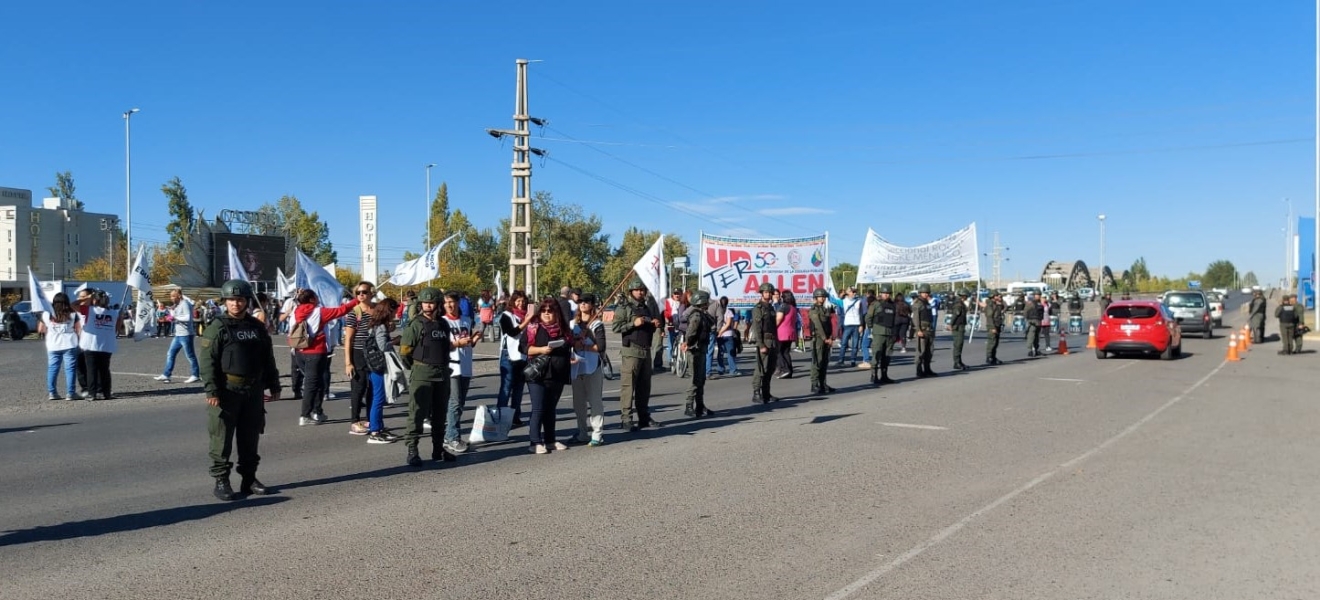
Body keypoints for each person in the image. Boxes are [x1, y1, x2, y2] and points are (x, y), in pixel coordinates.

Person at [200, 280, 281, 501]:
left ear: (247, 301)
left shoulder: (256, 327)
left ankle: (249, 478)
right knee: (221, 438)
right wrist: (212, 391)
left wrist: (274, 384)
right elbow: (207, 363)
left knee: (250, 437)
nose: (236, 303)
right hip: (227, 390)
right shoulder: (217, 327)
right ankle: (221, 480)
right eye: (232, 299)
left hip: (253, 390)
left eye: (240, 299)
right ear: (225, 301)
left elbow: (268, 358)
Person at [397, 287, 457, 467]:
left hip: (442, 374)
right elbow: (405, 352)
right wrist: (417, 369)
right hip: (422, 374)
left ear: (438, 304)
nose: (428, 306)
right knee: (417, 414)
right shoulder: (416, 324)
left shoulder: (443, 324)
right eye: (425, 302)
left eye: (431, 303)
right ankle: (412, 450)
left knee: (440, 415)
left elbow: (446, 346)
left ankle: (438, 449)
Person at [291, 289, 360, 425]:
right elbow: (342, 310)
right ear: (311, 299)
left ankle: (318, 411)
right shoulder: (319, 311)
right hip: (316, 351)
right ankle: (305, 415)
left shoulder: (295, 311)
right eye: (316, 296)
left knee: (317, 382)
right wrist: (357, 300)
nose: (318, 298)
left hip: (298, 351)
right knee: (312, 384)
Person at [521, 297, 574, 454]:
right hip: (538, 373)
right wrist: (541, 350)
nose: (546, 314)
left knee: (551, 408)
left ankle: (550, 440)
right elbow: (524, 348)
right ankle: (535, 441)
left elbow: (569, 345)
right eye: (543, 310)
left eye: (550, 311)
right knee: (538, 408)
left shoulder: (563, 328)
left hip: (557, 373)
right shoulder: (533, 327)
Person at [613, 278, 660, 430]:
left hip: (646, 350)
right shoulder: (624, 308)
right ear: (631, 291)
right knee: (628, 387)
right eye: (638, 290)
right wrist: (633, 323)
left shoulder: (646, 307)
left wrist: (654, 325)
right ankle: (626, 419)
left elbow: (646, 328)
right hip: (631, 351)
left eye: (643, 290)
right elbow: (616, 327)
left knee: (644, 387)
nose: (641, 292)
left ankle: (644, 416)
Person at [363, 299, 402, 444]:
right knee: (378, 398)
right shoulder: (381, 326)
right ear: (388, 311)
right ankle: (375, 431)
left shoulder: (376, 324)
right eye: (394, 311)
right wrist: (395, 341)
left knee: (377, 397)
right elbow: (382, 346)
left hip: (373, 365)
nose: (395, 314)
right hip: (379, 365)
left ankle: (379, 427)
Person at [441, 291, 475, 454]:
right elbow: (441, 346)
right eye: (446, 302)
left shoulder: (466, 320)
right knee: (454, 403)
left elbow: (466, 341)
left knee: (460, 403)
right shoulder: (442, 322)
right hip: (452, 366)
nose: (449, 305)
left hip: (466, 365)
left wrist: (472, 340)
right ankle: (451, 437)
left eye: (451, 302)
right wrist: (456, 343)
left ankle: (453, 435)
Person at [570, 293, 607, 445]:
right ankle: (582, 432)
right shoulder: (573, 324)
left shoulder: (596, 324)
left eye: (586, 301)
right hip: (577, 366)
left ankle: (597, 433)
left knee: (594, 400)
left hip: (592, 366)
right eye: (580, 302)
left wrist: (584, 345)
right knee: (578, 402)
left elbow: (601, 347)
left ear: (592, 304)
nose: (583, 304)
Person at [343, 281, 377, 435]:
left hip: (375, 354)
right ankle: (355, 421)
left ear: (371, 293)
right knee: (358, 388)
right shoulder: (354, 312)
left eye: (364, 292)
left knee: (373, 388)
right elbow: (348, 339)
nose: (361, 295)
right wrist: (348, 362)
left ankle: (371, 419)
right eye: (358, 292)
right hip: (358, 354)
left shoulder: (377, 310)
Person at [497, 291, 533, 427]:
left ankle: (515, 415)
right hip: (509, 355)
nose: (521, 303)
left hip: (523, 355)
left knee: (519, 388)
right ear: (512, 301)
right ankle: (500, 416)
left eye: (523, 301)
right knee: (506, 388)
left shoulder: (528, 316)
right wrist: (526, 321)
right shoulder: (506, 316)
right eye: (518, 301)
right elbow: (512, 332)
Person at [40, 292, 83, 400]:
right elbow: (79, 329)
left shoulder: (46, 314)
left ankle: (52, 393)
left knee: (53, 368)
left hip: (53, 344)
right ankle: (70, 393)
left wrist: (51, 329)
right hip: (69, 344)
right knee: (70, 369)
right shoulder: (72, 314)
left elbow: (40, 329)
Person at [154, 289, 202, 384]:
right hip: (178, 334)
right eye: (171, 296)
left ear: (179, 296)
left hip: (186, 334)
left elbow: (188, 317)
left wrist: (174, 318)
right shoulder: (177, 305)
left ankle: (196, 375)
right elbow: (175, 317)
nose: (171, 298)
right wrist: (171, 314)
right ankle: (166, 374)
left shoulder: (185, 304)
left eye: (173, 296)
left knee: (190, 355)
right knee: (170, 354)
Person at [80, 290, 120, 400]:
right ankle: (106, 393)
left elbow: (73, 305)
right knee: (105, 370)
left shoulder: (90, 310)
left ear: (94, 300)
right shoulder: (114, 312)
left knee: (91, 370)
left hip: (91, 344)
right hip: (107, 344)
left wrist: (86, 298)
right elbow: (117, 328)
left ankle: (92, 394)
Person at [682, 290, 717, 417]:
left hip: (702, 349)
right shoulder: (696, 316)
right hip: (695, 350)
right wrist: (687, 343)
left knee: (701, 380)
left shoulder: (703, 314)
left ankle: (700, 405)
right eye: (706, 301)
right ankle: (689, 405)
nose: (708, 303)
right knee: (694, 380)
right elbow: (690, 332)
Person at [749, 282, 779, 403]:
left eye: (770, 292)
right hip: (764, 340)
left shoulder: (771, 308)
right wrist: (761, 344)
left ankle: (766, 393)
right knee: (761, 368)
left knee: (770, 368)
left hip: (772, 340)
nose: (768, 294)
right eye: (766, 292)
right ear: (761, 293)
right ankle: (756, 393)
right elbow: (757, 328)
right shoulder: (758, 308)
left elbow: (774, 326)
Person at [865, 284, 898, 386]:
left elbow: (894, 319)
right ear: (881, 294)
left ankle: (884, 375)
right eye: (884, 293)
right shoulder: (876, 304)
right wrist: (873, 328)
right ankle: (874, 376)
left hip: (889, 333)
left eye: (888, 294)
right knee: (877, 354)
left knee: (887, 355)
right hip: (879, 333)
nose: (886, 295)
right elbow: (868, 317)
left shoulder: (893, 305)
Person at [808, 288, 836, 394]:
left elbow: (829, 324)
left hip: (827, 339)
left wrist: (830, 338)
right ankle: (814, 384)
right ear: (816, 297)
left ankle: (823, 383)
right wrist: (825, 339)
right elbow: (818, 326)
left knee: (824, 362)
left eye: (824, 296)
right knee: (817, 362)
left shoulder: (825, 309)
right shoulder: (814, 310)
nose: (823, 298)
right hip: (818, 339)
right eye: (820, 296)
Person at [911, 284, 937, 377]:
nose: (926, 294)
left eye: (927, 293)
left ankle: (927, 369)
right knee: (920, 351)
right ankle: (919, 370)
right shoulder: (918, 303)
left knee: (929, 351)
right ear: (920, 293)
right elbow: (915, 318)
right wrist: (918, 330)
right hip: (922, 329)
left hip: (929, 330)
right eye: (924, 292)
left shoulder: (927, 303)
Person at [837, 287, 866, 367]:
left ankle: (853, 360)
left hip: (856, 325)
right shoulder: (844, 301)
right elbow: (836, 301)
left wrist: (861, 325)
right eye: (852, 292)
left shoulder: (859, 301)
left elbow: (861, 314)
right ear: (848, 293)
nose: (854, 293)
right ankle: (841, 359)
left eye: (855, 292)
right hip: (847, 325)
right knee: (843, 343)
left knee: (855, 345)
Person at [947, 288, 970, 371]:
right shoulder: (958, 304)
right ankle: (956, 362)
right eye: (966, 296)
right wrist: (950, 324)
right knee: (958, 345)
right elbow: (955, 315)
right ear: (963, 295)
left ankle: (959, 361)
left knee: (960, 345)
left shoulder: (960, 303)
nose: (967, 297)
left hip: (960, 325)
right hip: (958, 326)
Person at [985, 290, 1005, 365]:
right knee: (991, 342)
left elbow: (1003, 308)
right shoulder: (990, 305)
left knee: (995, 343)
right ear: (993, 296)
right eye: (997, 296)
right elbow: (989, 317)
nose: (998, 297)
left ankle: (993, 357)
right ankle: (989, 357)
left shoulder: (996, 304)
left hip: (997, 325)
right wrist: (992, 327)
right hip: (992, 326)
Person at [1023, 293, 1044, 357]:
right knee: (1031, 336)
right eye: (1037, 295)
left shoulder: (1040, 303)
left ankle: (1036, 349)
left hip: (1038, 321)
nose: (1038, 296)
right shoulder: (1030, 303)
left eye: (1039, 295)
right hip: (1032, 322)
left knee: (1037, 336)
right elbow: (1025, 312)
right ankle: (1030, 350)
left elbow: (1041, 312)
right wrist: (1028, 320)